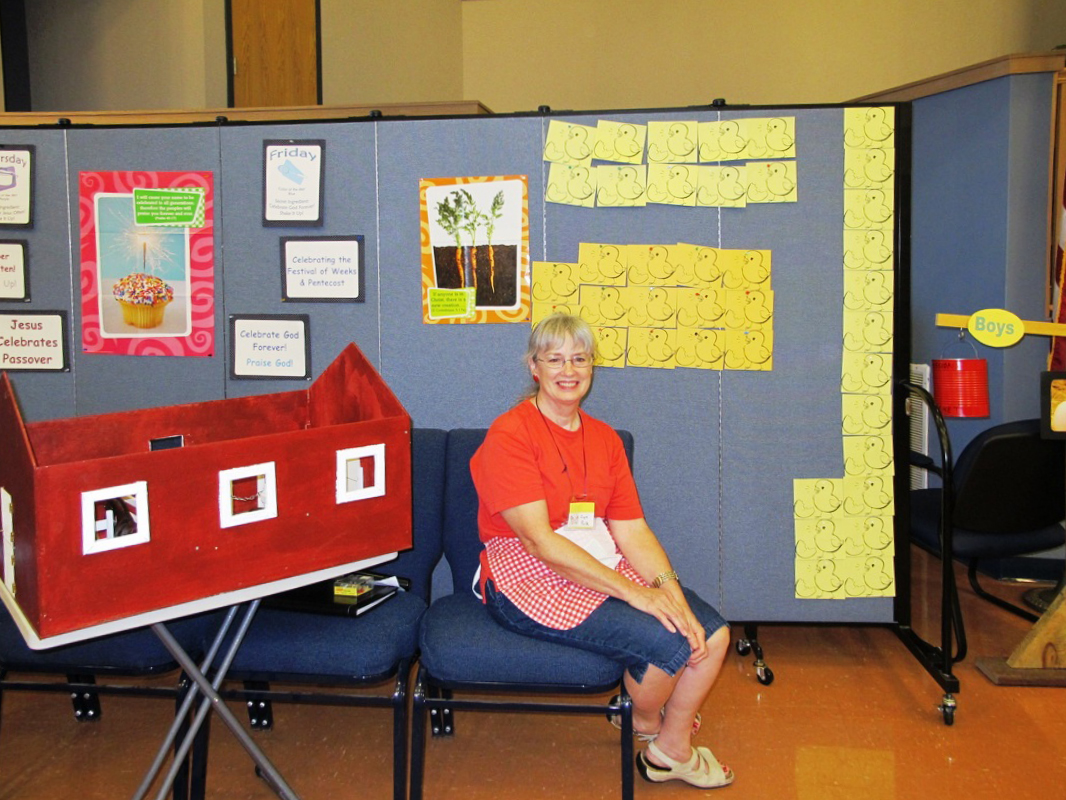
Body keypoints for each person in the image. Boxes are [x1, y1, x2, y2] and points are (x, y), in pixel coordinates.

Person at [470, 312, 734, 789]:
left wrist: (666, 589)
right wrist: (639, 597)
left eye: (580, 359)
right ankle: (648, 723)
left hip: (595, 554)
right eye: (555, 359)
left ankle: (669, 750)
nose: (568, 370)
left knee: (712, 637)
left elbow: (631, 529)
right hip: (524, 570)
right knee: (672, 645)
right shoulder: (509, 435)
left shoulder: (606, 438)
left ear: (592, 367)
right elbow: (538, 541)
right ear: (534, 366)